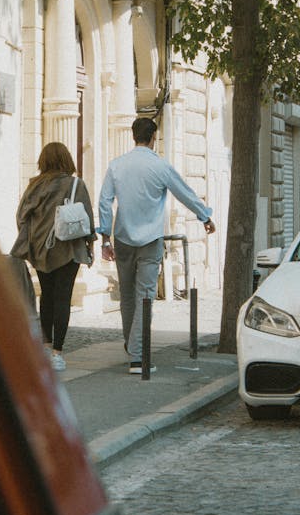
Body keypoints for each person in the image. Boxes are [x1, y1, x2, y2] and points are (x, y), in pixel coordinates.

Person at [98, 117, 216, 374]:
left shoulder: (116, 166)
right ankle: (138, 356)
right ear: (153, 137)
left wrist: (105, 237)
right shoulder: (160, 166)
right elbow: (183, 192)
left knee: (127, 296)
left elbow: (105, 202)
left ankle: (132, 346)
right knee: (145, 297)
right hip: (150, 239)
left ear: (133, 136)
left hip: (122, 237)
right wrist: (204, 215)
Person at [11, 142, 96, 371]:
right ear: (67, 160)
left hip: (41, 249)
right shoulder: (76, 184)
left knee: (46, 297)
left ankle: (46, 348)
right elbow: (87, 218)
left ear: (44, 161)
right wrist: (91, 246)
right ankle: (58, 353)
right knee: (62, 298)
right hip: (68, 249)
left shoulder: (34, 186)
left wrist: (35, 233)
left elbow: (21, 217)